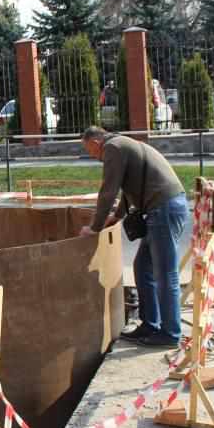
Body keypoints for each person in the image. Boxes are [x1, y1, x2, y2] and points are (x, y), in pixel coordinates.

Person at [79, 126, 188, 348]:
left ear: (97, 142)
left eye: (91, 151)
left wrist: (96, 227)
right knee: (143, 267)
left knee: (165, 274)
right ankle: (150, 324)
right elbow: (127, 189)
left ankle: (170, 334)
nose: (93, 157)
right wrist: (116, 217)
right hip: (160, 207)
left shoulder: (113, 147)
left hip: (164, 208)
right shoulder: (121, 145)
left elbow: (108, 190)